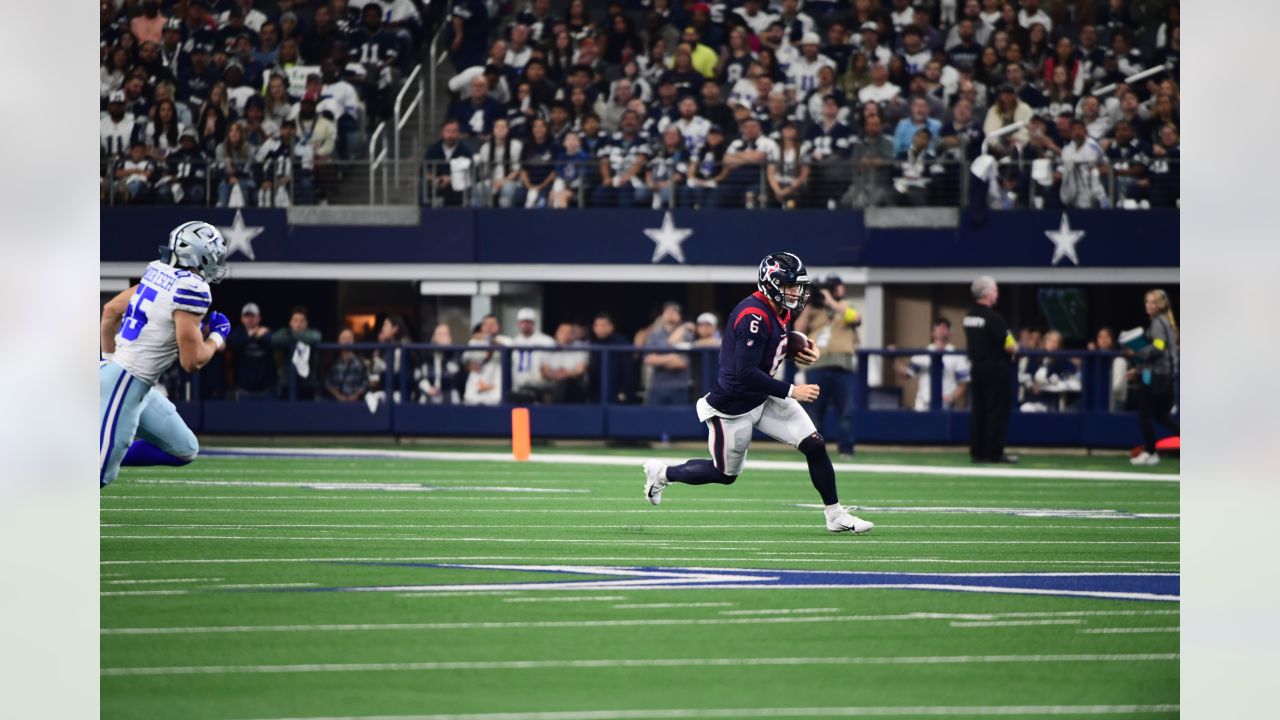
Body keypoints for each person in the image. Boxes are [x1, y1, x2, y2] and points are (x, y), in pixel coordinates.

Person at [642, 252, 874, 535]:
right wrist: (792, 389)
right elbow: (746, 373)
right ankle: (663, 474)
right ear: (771, 284)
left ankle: (835, 515)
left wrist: (791, 349)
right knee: (725, 475)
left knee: (814, 444)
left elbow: (770, 347)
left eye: (797, 286)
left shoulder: (780, 309)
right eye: (790, 286)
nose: (796, 292)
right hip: (734, 405)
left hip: (762, 395)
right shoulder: (753, 315)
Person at [98, 221, 230, 487]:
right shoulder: (192, 288)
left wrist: (106, 361)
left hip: (127, 381)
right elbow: (192, 362)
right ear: (199, 253)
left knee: (184, 448)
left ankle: (107, 452)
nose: (217, 259)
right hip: (125, 381)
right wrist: (218, 336)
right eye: (214, 252)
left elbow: (111, 310)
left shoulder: (157, 272)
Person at [794, 274, 861, 457]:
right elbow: (798, 331)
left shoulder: (845, 307)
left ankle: (846, 450)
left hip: (842, 366)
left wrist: (829, 298)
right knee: (814, 412)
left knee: (845, 411)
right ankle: (815, 450)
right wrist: (808, 304)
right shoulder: (814, 310)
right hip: (817, 365)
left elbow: (855, 319)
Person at [963, 275, 1019, 463]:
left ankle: (977, 451)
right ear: (987, 294)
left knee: (978, 410)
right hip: (995, 370)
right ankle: (994, 452)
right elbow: (1010, 344)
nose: (997, 294)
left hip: (977, 369)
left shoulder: (968, 317)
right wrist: (1014, 347)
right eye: (995, 290)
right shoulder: (993, 318)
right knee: (996, 411)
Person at [1126, 289, 1180, 466]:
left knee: (1146, 414)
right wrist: (1138, 370)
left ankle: (1150, 452)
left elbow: (1158, 347)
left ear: (1160, 305)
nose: (1149, 305)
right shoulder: (1163, 322)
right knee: (1159, 415)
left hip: (1158, 377)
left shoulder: (1158, 322)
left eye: (1153, 302)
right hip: (1163, 375)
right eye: (1147, 302)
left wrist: (1137, 352)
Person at [899, 318, 971, 411]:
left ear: (949, 333)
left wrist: (952, 397)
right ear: (932, 333)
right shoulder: (923, 353)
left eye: (945, 327)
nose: (942, 329)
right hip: (922, 405)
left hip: (945, 406)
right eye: (938, 327)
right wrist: (894, 360)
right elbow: (906, 374)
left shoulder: (956, 355)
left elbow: (963, 384)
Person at [643, 302, 692, 405]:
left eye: (674, 311)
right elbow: (649, 359)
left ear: (680, 315)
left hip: (679, 387)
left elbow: (682, 362)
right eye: (667, 311)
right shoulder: (654, 334)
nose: (670, 313)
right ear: (662, 315)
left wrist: (659, 357)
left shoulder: (686, 334)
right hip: (657, 387)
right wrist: (672, 357)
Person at [226, 302, 276, 399]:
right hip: (244, 390)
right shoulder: (237, 334)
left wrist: (260, 336)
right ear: (242, 318)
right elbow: (231, 342)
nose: (250, 319)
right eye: (246, 316)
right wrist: (250, 336)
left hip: (266, 390)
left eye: (252, 316)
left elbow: (273, 340)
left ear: (259, 318)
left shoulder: (266, 332)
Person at [272, 307, 322, 400]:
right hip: (287, 384)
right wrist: (296, 336)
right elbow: (274, 339)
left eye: (302, 321)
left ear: (306, 323)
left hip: (308, 385)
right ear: (290, 323)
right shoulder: (284, 332)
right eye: (295, 320)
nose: (298, 324)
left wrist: (292, 335)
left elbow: (315, 338)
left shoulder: (311, 333)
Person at [509, 307, 556, 403]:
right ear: (518, 324)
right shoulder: (512, 342)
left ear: (534, 323)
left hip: (541, 389)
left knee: (541, 415)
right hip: (518, 388)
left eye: (528, 322)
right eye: (523, 322)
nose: (526, 324)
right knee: (519, 415)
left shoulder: (546, 340)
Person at [540, 323, 590, 404]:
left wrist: (566, 374)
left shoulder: (580, 348)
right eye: (562, 332)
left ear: (573, 335)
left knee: (564, 384)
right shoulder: (549, 349)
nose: (565, 335)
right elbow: (544, 372)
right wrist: (556, 375)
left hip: (573, 385)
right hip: (551, 384)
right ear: (556, 334)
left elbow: (580, 370)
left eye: (568, 333)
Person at [463, 314, 507, 405]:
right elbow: (466, 362)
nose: (489, 327)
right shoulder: (474, 342)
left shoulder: (505, 340)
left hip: (495, 395)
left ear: (498, 326)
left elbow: (505, 349)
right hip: (473, 394)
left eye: (492, 324)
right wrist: (474, 364)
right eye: (485, 324)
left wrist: (489, 339)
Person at [325, 328, 369, 402]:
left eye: (349, 338)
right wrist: (338, 396)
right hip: (334, 402)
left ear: (353, 340)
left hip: (356, 402)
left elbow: (365, 381)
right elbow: (327, 382)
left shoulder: (360, 361)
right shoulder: (332, 361)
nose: (347, 341)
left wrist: (356, 395)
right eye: (344, 338)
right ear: (339, 341)